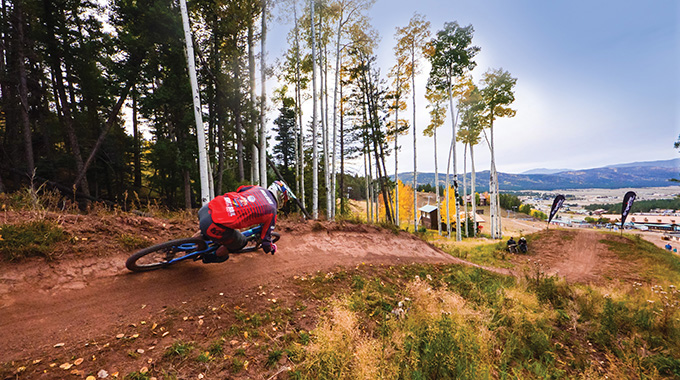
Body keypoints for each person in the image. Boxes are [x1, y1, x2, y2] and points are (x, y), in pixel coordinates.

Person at [197, 180, 294, 263]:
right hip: (212, 225)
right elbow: (266, 240)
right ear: (280, 196)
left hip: (207, 208)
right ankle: (209, 257)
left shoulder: (258, 188)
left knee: (208, 229)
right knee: (240, 243)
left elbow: (240, 189)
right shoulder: (271, 211)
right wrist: (270, 248)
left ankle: (193, 243)